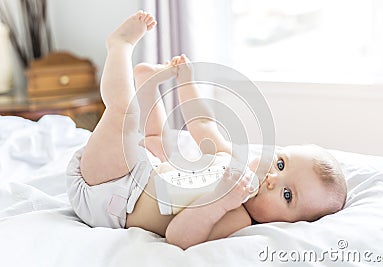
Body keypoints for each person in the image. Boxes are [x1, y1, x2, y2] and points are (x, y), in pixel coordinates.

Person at [66, 11, 347, 250]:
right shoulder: (231, 157)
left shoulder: (236, 217)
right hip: (140, 168)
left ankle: (120, 45)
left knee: (126, 115)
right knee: (161, 145)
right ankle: (148, 84)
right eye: (281, 163)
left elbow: (178, 236)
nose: (272, 179)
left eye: (287, 195)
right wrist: (187, 81)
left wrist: (221, 202)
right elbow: (202, 123)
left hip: (105, 192)